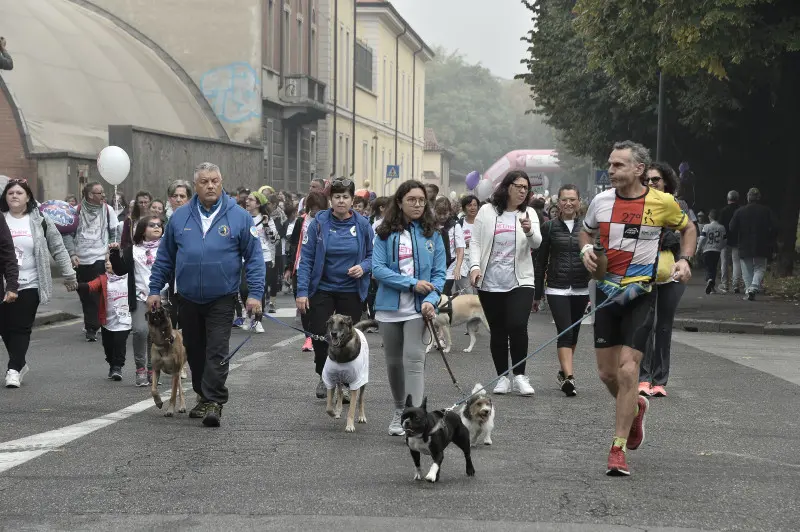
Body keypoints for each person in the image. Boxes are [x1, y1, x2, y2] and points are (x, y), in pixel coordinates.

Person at [580, 142, 696, 476]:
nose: (611, 170)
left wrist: (685, 260)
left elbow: (688, 228)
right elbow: (586, 232)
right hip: (606, 293)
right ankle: (635, 408)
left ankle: (617, 450)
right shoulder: (601, 202)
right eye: (610, 165)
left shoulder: (662, 202)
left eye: (618, 165)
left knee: (629, 371)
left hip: (641, 294)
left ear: (638, 169)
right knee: (607, 374)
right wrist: (584, 251)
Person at [147, 162, 265, 428]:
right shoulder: (180, 217)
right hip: (187, 297)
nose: (210, 185)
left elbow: (255, 259)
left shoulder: (239, 216)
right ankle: (203, 394)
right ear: (195, 186)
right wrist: (155, 289)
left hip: (222, 297)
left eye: (214, 180)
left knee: (216, 349)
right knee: (196, 352)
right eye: (204, 181)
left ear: (221, 182)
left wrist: (255, 294)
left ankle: (214, 401)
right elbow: (165, 258)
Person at [373, 180, 445, 436]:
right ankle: (398, 410)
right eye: (412, 200)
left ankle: (414, 416)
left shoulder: (433, 234)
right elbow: (378, 269)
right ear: (400, 202)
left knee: (414, 358)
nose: (417, 204)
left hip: (419, 309)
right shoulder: (384, 233)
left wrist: (430, 300)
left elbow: (439, 274)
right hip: (389, 308)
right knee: (394, 362)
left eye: (421, 200)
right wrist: (413, 284)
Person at [296, 178, 374, 400]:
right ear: (331, 200)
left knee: (348, 337)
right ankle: (324, 376)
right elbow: (306, 259)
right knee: (323, 335)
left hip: (351, 289)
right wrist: (302, 292)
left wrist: (363, 267)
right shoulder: (318, 223)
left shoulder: (363, 225)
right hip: (322, 288)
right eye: (337, 197)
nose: (341, 201)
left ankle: (349, 383)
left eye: (345, 197)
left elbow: (373, 255)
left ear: (352, 200)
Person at [469, 171, 542, 397]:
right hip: (490, 281)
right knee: (498, 330)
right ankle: (502, 377)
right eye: (518, 186)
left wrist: (529, 231)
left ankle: (520, 375)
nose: (522, 191)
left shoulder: (529, 212)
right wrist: (474, 267)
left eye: (525, 187)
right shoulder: (487, 211)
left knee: (517, 325)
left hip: (521, 280)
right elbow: (476, 242)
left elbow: (537, 243)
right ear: (507, 187)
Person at [0, 180, 77, 388]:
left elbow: (58, 248)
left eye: (19, 193)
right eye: (10, 193)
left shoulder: (40, 221)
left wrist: (69, 275)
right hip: (5, 284)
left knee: (21, 327)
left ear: (28, 197)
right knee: (5, 327)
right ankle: (20, 362)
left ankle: (13, 369)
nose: (14, 196)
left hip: (32, 281)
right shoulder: (2, 219)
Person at [637, 162, 692, 399]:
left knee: (664, 326)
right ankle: (643, 378)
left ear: (666, 182)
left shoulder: (678, 206)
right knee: (644, 326)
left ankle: (660, 380)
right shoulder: (637, 205)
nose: (651, 183)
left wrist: (685, 260)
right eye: (647, 180)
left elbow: (688, 233)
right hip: (643, 275)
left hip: (671, 275)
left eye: (656, 179)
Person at [533, 184, 590, 397]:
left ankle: (563, 372)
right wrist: (537, 293)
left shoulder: (587, 228)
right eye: (564, 199)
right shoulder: (549, 228)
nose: (568, 203)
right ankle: (569, 378)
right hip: (556, 288)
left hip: (581, 288)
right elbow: (540, 262)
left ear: (579, 202)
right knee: (565, 332)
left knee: (573, 334)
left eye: (572, 199)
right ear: (558, 202)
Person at [109, 215, 167, 386]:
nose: (157, 227)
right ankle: (140, 369)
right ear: (142, 230)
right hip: (140, 297)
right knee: (141, 331)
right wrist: (114, 253)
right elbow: (120, 270)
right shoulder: (133, 250)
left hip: (162, 297)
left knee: (155, 335)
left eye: (159, 225)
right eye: (152, 225)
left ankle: (152, 370)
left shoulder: (167, 248)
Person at [63, 182, 122, 342]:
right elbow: (67, 234)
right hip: (80, 259)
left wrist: (111, 251)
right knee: (85, 294)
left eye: (103, 193)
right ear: (90, 195)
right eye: (100, 193)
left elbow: (114, 232)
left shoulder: (108, 210)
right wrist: (72, 253)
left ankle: (93, 326)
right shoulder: (76, 211)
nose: (104, 195)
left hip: (100, 258)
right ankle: (93, 323)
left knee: (97, 292)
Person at [78, 256, 132, 382]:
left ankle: (118, 367)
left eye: (111, 261)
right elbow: (91, 286)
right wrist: (76, 285)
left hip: (124, 320)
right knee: (108, 345)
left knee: (120, 343)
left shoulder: (129, 279)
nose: (107, 264)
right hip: (107, 321)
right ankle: (112, 364)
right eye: (106, 261)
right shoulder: (103, 279)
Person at [286, 192, 328, 352]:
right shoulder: (301, 221)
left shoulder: (326, 221)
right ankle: (308, 337)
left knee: (316, 303)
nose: (315, 211)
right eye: (313, 208)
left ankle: (318, 335)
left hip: (319, 268)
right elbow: (294, 244)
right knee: (302, 304)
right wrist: (289, 267)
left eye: (319, 208)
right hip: (300, 266)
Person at [728, 187, 779, 301]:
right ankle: (753, 287)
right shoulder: (766, 211)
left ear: (747, 198)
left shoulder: (740, 211)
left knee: (747, 270)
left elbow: (732, 227)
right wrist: (770, 238)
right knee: (760, 268)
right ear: (759, 198)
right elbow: (775, 227)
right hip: (762, 244)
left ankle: (749, 290)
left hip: (744, 244)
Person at [242, 191, 279, 331]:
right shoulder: (243, 218)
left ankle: (257, 320)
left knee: (260, 289)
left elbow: (274, 240)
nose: (247, 202)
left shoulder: (266, 219)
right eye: (247, 199)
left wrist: (266, 225)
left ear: (258, 203)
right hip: (245, 257)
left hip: (264, 256)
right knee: (244, 288)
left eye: (251, 200)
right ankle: (247, 315)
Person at [433, 197, 465, 296]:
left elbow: (460, 249)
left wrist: (458, 267)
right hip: (434, 265)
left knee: (444, 292)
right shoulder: (430, 226)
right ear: (434, 211)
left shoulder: (455, 226)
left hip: (450, 265)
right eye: (439, 214)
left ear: (449, 212)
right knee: (434, 292)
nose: (442, 217)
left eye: (445, 213)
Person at [697, 209, 726, 295]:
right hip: (716, 250)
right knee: (713, 267)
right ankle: (712, 286)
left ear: (709, 217)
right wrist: (721, 247)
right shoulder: (722, 227)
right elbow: (725, 240)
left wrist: (698, 249)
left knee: (708, 267)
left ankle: (710, 280)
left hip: (707, 249)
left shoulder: (706, 227)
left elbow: (702, 238)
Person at [718, 190, 742, 293]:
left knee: (724, 262)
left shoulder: (723, 211)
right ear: (737, 199)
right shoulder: (740, 210)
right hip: (737, 239)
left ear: (728, 199)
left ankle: (725, 284)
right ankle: (736, 285)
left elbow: (720, 226)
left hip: (725, 240)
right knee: (736, 262)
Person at [457, 195, 479, 295]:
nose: (473, 208)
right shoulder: (459, 224)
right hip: (463, 265)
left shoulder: (483, 223)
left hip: (478, 263)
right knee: (467, 295)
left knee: (478, 296)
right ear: (464, 207)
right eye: (469, 205)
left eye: (475, 205)